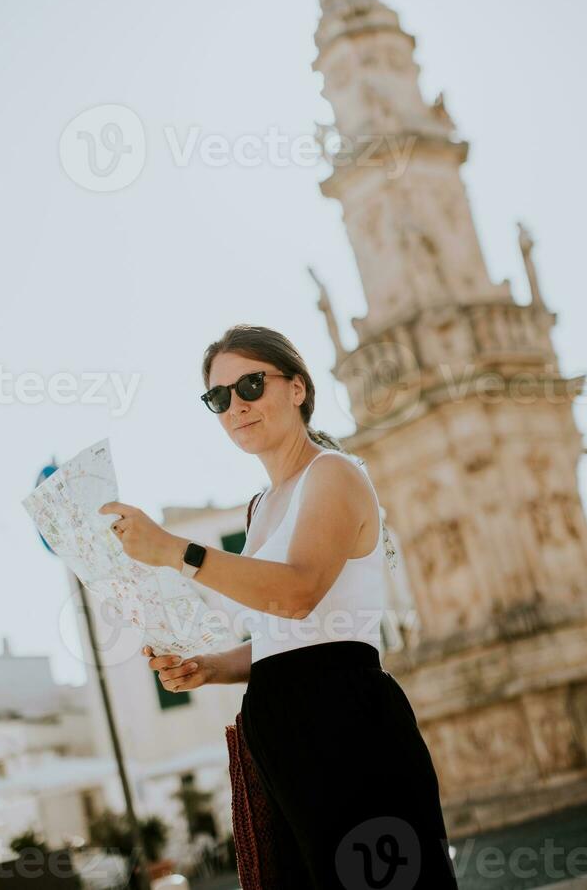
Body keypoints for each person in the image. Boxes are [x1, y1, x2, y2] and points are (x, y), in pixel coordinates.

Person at [100, 324, 459, 890]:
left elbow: (297, 594)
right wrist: (213, 667)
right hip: (281, 726)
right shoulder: (260, 508)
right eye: (219, 397)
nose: (235, 406)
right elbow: (288, 637)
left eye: (249, 385)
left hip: (345, 720)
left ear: (297, 388)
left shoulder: (335, 474)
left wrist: (174, 551)